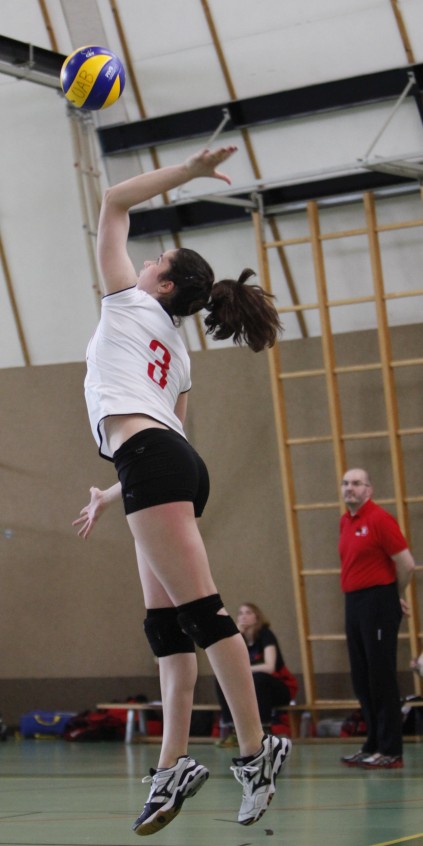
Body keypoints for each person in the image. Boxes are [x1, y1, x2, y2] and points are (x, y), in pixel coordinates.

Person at [72, 145, 291, 836]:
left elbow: (114, 201)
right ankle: (172, 766)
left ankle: (257, 749)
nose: (141, 261)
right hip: (162, 464)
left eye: (154, 260)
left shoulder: (128, 301)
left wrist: (190, 173)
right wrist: (113, 494)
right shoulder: (177, 350)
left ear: (161, 284)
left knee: (203, 616)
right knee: (166, 630)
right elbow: (169, 431)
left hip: (154, 463)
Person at [338, 468, 415, 769]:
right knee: (362, 677)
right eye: (346, 483)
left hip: (378, 601)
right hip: (354, 602)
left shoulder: (380, 519)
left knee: (381, 676)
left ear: (368, 489)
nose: (350, 488)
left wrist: (394, 595)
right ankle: (372, 743)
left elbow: (406, 564)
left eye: (357, 483)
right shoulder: (345, 521)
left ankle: (391, 749)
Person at [215, 602, 297, 744]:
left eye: (248, 613)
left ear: (257, 617)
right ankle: (233, 729)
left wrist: (243, 670)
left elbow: (269, 667)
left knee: (259, 678)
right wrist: (236, 635)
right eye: (240, 613)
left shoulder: (266, 634)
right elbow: (227, 665)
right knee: (222, 679)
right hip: (252, 688)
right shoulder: (239, 639)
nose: (243, 616)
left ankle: (265, 728)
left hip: (279, 687)